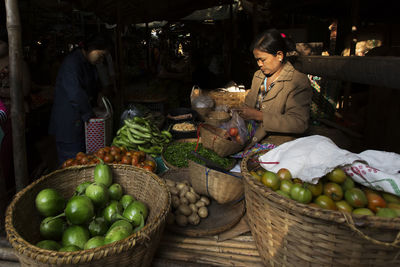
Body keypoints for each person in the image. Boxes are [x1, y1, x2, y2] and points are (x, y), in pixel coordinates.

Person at [238, 29, 312, 147]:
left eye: (263, 60)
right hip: (251, 137)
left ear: (279, 55)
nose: (259, 64)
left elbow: (299, 123)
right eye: (257, 60)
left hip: (277, 144)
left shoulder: (297, 81)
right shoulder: (258, 76)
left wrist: (260, 116)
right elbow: (248, 105)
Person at [49, 34, 111, 165]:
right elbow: (75, 93)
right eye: (100, 55)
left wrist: (98, 95)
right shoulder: (72, 63)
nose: (101, 60)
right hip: (68, 124)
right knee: (71, 164)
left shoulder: (88, 63)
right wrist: (90, 114)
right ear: (91, 48)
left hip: (78, 123)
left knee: (82, 161)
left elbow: (91, 86)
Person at [0, 29, 31, 190]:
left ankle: (16, 189)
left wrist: (3, 92)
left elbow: (25, 90)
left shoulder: (18, 63)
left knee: (12, 152)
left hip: (14, 113)